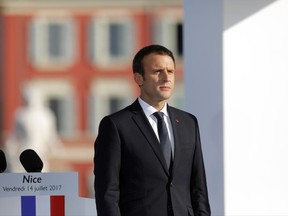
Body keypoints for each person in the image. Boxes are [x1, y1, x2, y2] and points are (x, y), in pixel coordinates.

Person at [94, 45, 211, 216]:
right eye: (158, 71)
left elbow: (198, 187)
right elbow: (107, 193)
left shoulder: (188, 122)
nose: (166, 78)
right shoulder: (116, 125)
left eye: (170, 71)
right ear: (138, 78)